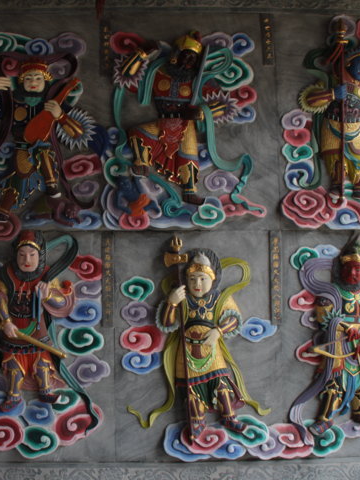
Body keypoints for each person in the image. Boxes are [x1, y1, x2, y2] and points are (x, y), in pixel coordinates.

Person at [129, 246, 268, 441]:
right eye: (192, 279)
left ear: (213, 279)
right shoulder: (183, 298)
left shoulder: (219, 298)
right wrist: (172, 303)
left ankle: (229, 417)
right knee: (191, 390)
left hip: (211, 349)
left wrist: (218, 331)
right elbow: (167, 323)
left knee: (221, 383)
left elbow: (234, 318)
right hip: (187, 350)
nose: (197, 284)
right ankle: (196, 421)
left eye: (202, 279)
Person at [0, 230, 92, 415]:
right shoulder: (6, 274)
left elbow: (61, 302)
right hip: (13, 329)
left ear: (39, 256)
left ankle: (45, 391)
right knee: (13, 364)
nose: (27, 260)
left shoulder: (47, 275)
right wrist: (6, 321)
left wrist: (48, 295)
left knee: (42, 363)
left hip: (38, 329)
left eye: (32, 255)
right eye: (22, 255)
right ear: (15, 255)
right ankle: (13, 395)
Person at [290, 237, 360, 436]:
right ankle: (325, 418)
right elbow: (324, 317)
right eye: (349, 269)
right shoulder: (331, 293)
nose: (353, 273)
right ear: (340, 269)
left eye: (358, 269)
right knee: (334, 381)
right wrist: (344, 327)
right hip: (339, 343)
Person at [121, 31, 228, 205]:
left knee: (189, 154)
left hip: (185, 124)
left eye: (193, 59)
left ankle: (189, 190)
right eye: (186, 56)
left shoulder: (198, 81)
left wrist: (201, 112)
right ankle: (141, 164)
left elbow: (222, 104)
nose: (189, 62)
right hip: (163, 122)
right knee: (136, 132)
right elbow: (127, 76)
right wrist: (141, 54)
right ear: (176, 55)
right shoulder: (157, 74)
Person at [0, 60, 88, 222]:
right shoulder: (13, 102)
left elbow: (78, 133)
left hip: (43, 149)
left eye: (38, 78)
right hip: (21, 148)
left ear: (46, 80)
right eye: (28, 78)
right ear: (21, 82)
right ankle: (3, 212)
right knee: (17, 178)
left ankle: (52, 190)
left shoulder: (52, 103)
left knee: (41, 150)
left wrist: (60, 116)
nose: (33, 82)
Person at [299, 45, 360, 201]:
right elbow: (309, 100)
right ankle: (337, 185)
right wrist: (332, 94)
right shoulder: (332, 81)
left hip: (357, 127)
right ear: (349, 63)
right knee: (336, 160)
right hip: (333, 125)